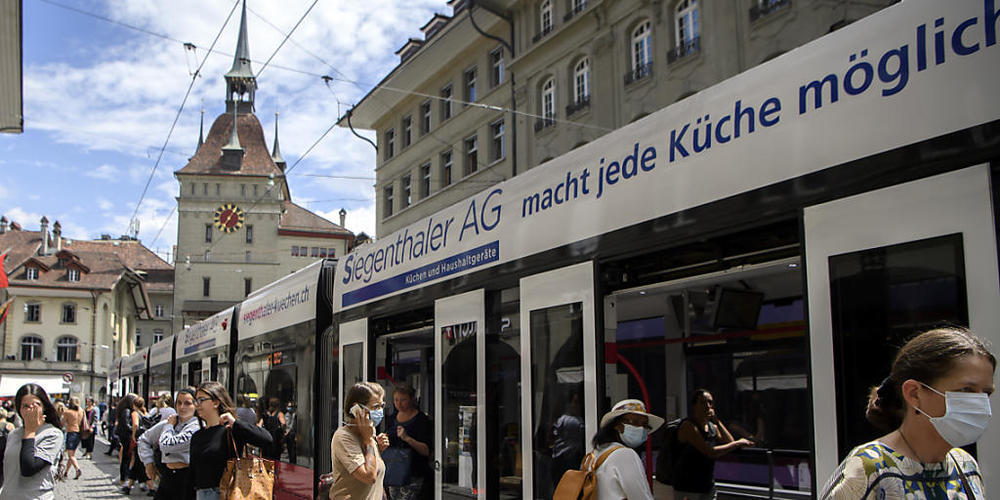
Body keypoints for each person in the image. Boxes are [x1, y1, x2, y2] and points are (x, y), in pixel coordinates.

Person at [821, 327, 994, 499]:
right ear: (914, 394)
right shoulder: (869, 468)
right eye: (965, 390)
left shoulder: (965, 465)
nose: (980, 403)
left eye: (986, 393)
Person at [189, 381, 274, 500]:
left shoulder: (231, 430)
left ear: (216, 402)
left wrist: (235, 423)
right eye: (195, 400)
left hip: (231, 492)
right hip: (202, 494)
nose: (197, 405)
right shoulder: (197, 436)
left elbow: (266, 439)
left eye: (201, 400)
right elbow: (192, 475)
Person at [672, 389, 753, 500]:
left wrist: (717, 421)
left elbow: (729, 441)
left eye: (710, 402)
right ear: (694, 406)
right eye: (703, 402)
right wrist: (738, 443)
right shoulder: (689, 426)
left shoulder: (711, 427)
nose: (707, 406)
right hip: (688, 487)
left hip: (707, 485)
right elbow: (710, 452)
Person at [583, 399, 663, 500]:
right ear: (617, 425)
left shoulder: (595, 454)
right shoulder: (625, 454)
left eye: (645, 425)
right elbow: (641, 496)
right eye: (635, 422)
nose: (641, 428)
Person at [0, 383, 65, 500]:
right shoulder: (13, 434)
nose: (31, 410)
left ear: (44, 407)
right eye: (26, 406)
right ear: (19, 409)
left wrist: (30, 431)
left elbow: (29, 468)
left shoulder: (52, 434)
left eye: (36, 405)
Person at [329, 382, 390, 500]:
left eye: (382, 406)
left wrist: (378, 449)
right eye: (375, 407)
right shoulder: (344, 437)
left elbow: (371, 466)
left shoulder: (367, 433)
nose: (379, 411)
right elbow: (369, 477)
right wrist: (369, 442)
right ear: (356, 409)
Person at [138, 389, 199, 500]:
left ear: (196, 405)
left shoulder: (196, 426)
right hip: (167, 475)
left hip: (187, 477)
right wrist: (148, 462)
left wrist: (169, 426)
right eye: (179, 403)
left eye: (187, 403)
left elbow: (167, 445)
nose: (182, 407)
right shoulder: (170, 422)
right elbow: (144, 439)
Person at [384, 384, 431, 500]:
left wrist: (407, 438)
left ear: (411, 399)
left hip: (414, 474)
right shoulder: (392, 418)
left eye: (403, 400)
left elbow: (426, 450)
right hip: (394, 472)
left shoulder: (421, 420)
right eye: (396, 400)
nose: (399, 404)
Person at [58, 397, 84, 480]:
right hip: (78, 433)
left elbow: (62, 423)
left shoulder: (68, 412)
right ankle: (66, 472)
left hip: (71, 432)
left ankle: (77, 469)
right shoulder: (81, 411)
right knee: (72, 454)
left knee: (70, 455)